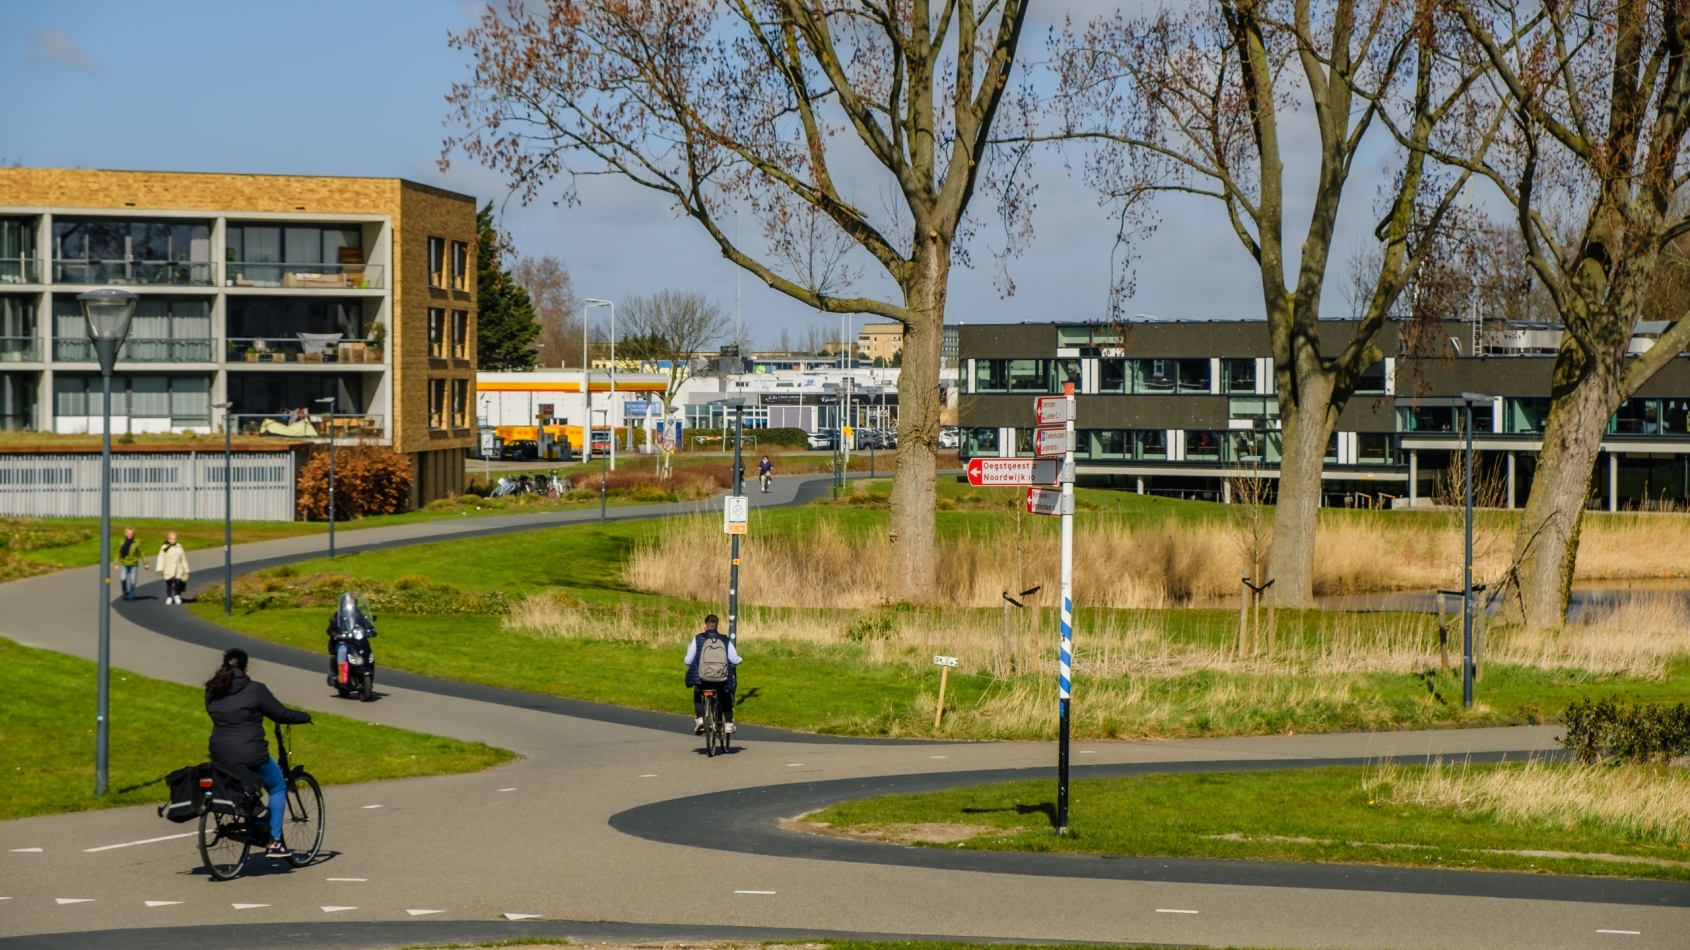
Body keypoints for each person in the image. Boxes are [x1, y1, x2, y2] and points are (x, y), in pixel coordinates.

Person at [204, 648, 312, 860]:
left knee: (240, 781)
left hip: (220, 751)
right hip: (251, 752)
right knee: (278, 786)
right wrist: (304, 716)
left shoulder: (212, 690)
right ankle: (274, 842)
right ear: (245, 668)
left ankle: (249, 819)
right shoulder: (255, 689)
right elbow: (281, 714)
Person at [683, 614, 741, 735]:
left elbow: (688, 661)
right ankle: (729, 723)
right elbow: (734, 660)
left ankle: (700, 719)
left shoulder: (698, 639)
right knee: (725, 692)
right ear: (717, 626)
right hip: (720, 679)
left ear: (705, 626)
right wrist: (740, 660)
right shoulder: (724, 640)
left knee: (697, 690)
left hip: (702, 679)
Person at [156, 532, 190, 605]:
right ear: (168, 539)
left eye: (174, 538)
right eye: (171, 538)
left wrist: (186, 569)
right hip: (168, 567)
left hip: (178, 568)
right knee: (169, 583)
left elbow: (183, 559)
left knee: (178, 581)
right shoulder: (164, 548)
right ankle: (169, 597)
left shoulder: (179, 547)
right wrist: (160, 568)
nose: (173, 540)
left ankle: (177, 595)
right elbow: (161, 558)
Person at [115, 527, 145, 601]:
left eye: (131, 534)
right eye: (128, 533)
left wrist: (146, 563)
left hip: (133, 564)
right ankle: (125, 592)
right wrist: (116, 563)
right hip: (124, 563)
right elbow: (119, 553)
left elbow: (141, 553)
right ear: (125, 534)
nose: (130, 535)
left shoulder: (136, 542)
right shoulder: (122, 542)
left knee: (132, 581)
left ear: (133, 534)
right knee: (123, 579)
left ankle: (131, 595)